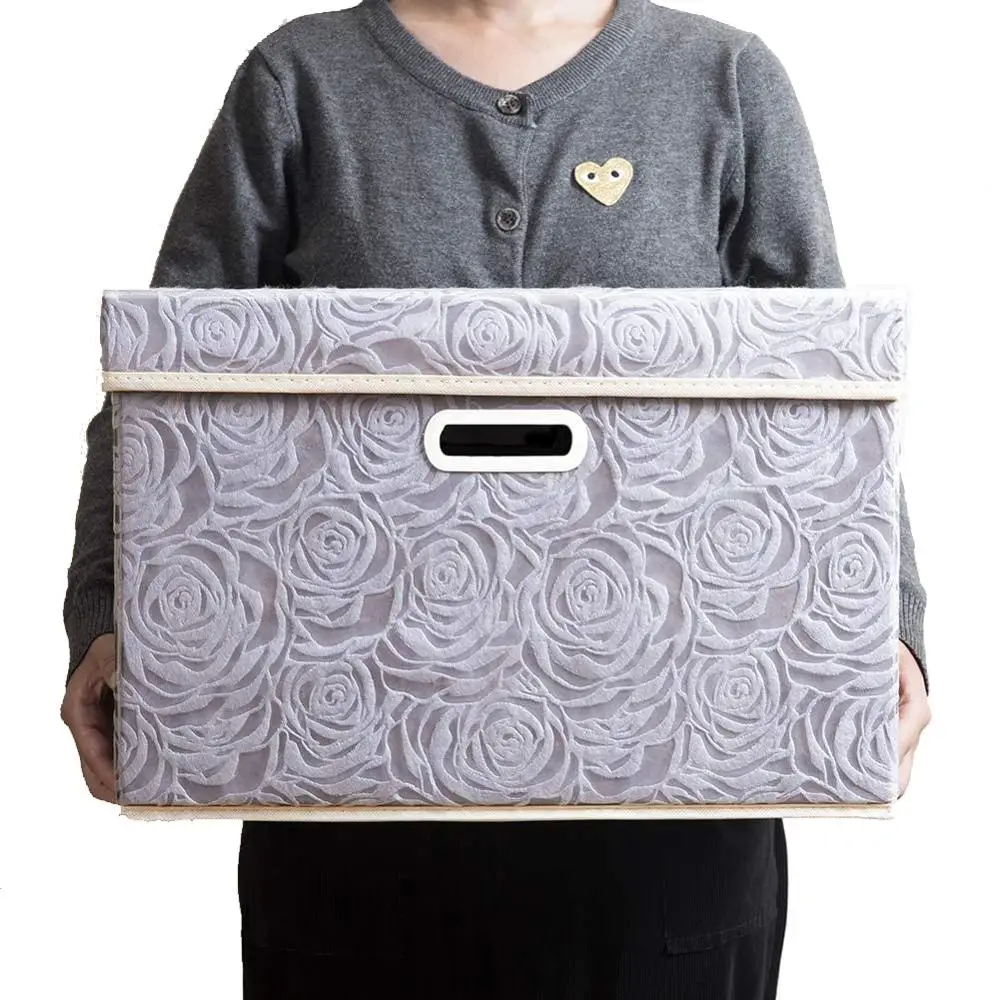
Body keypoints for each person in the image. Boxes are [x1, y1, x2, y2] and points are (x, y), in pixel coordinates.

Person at [61, 1, 932, 997]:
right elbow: (164, 385)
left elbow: (833, 394)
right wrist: (106, 613)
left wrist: (890, 623)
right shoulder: (300, 80)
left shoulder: (725, 80)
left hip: (676, 798)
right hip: (346, 785)